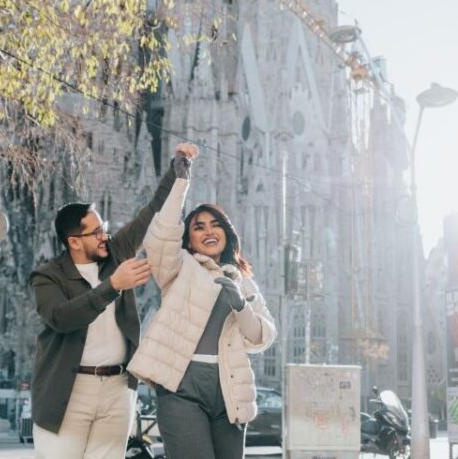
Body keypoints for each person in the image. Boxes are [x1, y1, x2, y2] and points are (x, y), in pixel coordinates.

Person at [30, 143, 198, 459]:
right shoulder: (48, 275)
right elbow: (61, 317)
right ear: (74, 242)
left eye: (103, 228)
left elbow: (150, 214)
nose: (104, 236)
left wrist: (179, 169)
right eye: (95, 232)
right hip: (68, 390)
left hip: (117, 388)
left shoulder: (116, 252)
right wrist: (113, 286)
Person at [127, 146, 277, 459]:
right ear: (189, 239)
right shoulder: (179, 267)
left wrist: (240, 305)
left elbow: (262, 337)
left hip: (231, 388)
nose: (208, 231)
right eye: (198, 227)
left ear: (227, 232)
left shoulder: (243, 281)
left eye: (214, 224)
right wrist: (180, 184)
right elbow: (158, 240)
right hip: (183, 385)